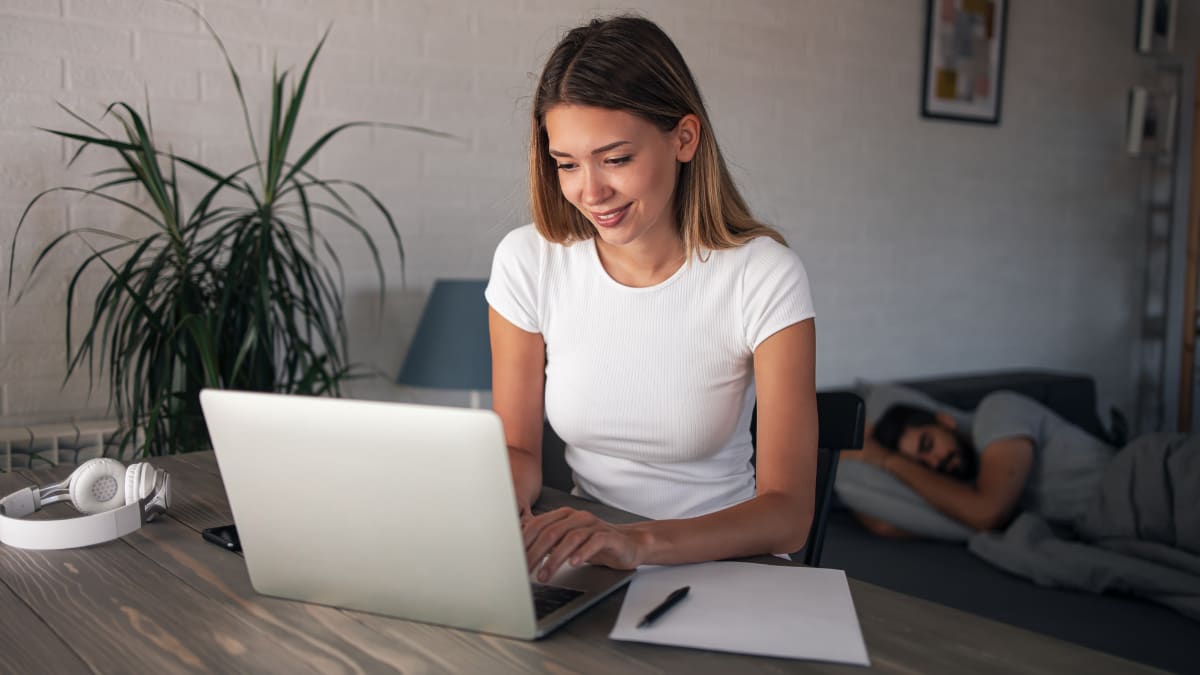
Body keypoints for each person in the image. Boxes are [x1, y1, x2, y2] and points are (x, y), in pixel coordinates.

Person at [485, 15, 817, 583]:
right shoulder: (529, 261)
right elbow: (517, 452)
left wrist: (634, 542)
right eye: (567, 164)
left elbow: (787, 514)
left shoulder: (763, 275)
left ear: (684, 138)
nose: (591, 192)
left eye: (615, 159)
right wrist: (486, 507)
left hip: (730, 566)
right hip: (593, 562)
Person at [843, 390, 1115, 537]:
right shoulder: (968, 483)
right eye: (922, 464)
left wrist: (885, 459)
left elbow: (986, 513)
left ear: (945, 421)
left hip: (1134, 478)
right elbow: (885, 526)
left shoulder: (996, 411)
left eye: (927, 444)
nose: (935, 462)